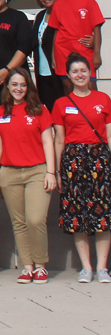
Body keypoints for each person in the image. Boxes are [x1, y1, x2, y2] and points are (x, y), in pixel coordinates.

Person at [0, 68, 56, 284]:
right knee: (18, 222)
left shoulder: (38, 110)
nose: (18, 89)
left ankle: (41, 265)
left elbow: (48, 142)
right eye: (14, 84)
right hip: (9, 173)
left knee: (35, 219)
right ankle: (27, 266)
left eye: (23, 85)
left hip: (37, 171)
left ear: (28, 87)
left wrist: (51, 172)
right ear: (8, 86)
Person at [53, 53, 111, 283]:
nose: (80, 75)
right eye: (75, 71)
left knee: (103, 214)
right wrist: (57, 170)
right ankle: (86, 268)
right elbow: (59, 139)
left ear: (90, 73)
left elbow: (109, 132)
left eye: (83, 70)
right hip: (73, 161)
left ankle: (102, 268)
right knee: (77, 214)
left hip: (99, 157)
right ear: (68, 75)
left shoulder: (103, 99)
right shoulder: (61, 104)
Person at [50, 0, 104, 92]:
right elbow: (56, 32)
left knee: (91, 88)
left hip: (84, 51)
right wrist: (53, 55)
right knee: (68, 88)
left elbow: (97, 28)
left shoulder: (88, 0)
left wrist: (97, 53)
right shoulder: (58, 4)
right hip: (63, 52)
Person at [32, 0, 66, 110]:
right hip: (43, 74)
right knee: (51, 112)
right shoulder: (40, 16)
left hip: (61, 73)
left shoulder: (65, 13)